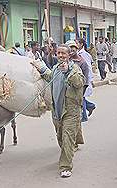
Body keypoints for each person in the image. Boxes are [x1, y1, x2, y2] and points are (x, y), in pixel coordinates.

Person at [31, 44, 85, 178]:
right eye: (58, 53)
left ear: (69, 55)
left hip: (71, 111)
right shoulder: (55, 68)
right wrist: (41, 67)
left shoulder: (74, 68)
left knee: (67, 138)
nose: (60, 56)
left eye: (63, 53)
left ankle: (66, 166)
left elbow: (79, 82)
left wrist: (67, 72)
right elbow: (50, 77)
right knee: (60, 137)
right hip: (57, 111)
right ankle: (70, 149)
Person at [76, 38, 96, 122]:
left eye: (77, 43)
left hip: (84, 79)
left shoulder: (84, 54)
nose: (75, 45)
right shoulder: (78, 53)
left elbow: (88, 67)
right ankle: (90, 106)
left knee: (81, 97)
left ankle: (84, 116)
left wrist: (89, 80)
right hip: (79, 78)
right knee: (81, 97)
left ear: (81, 44)